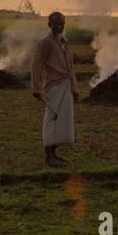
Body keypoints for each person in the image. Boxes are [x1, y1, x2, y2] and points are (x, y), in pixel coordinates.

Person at [30, 11, 79, 167]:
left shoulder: (65, 41)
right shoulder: (45, 43)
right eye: (57, 23)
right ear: (49, 24)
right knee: (52, 118)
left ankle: (54, 154)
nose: (60, 26)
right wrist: (36, 87)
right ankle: (48, 156)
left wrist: (74, 87)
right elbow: (36, 65)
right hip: (54, 85)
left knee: (63, 120)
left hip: (66, 85)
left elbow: (70, 67)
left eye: (62, 23)